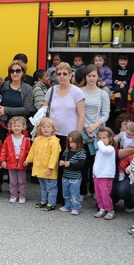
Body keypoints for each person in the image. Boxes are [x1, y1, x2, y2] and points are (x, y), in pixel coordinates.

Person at [43, 62, 86, 199]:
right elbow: (44, 112)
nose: (62, 76)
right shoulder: (51, 91)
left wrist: (77, 135)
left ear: (70, 74)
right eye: (59, 74)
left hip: (70, 136)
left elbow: (81, 115)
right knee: (54, 164)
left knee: (69, 165)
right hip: (53, 135)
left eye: (65, 74)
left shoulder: (77, 92)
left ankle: (70, 195)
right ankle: (56, 195)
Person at [78, 64, 110, 195]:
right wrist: (85, 126)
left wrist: (94, 126)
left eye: (94, 76)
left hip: (98, 133)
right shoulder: (79, 91)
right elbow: (77, 111)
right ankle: (81, 191)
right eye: (89, 76)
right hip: (82, 131)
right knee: (82, 162)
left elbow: (106, 114)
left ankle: (94, 190)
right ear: (85, 77)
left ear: (98, 77)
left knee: (96, 162)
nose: (91, 78)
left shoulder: (103, 93)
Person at [26, 117, 61, 211]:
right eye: (43, 127)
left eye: (48, 127)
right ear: (40, 128)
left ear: (53, 129)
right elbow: (32, 151)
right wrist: (28, 160)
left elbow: (54, 156)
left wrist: (50, 167)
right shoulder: (37, 139)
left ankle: (51, 203)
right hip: (39, 168)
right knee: (43, 187)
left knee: (51, 187)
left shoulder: (54, 142)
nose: (46, 129)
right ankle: (43, 201)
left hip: (48, 170)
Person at [0, 60, 36, 137]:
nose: (15, 73)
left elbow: (27, 109)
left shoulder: (28, 89)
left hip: (18, 127)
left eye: (18, 71)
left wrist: (6, 110)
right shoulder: (4, 85)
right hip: (2, 125)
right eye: (12, 71)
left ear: (23, 72)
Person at [1, 116, 31, 204]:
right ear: (10, 127)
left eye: (18, 126)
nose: (16, 128)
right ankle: (13, 195)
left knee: (22, 181)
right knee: (13, 181)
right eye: (14, 126)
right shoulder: (8, 139)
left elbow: (29, 151)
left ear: (23, 127)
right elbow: (3, 150)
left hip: (22, 162)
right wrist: (3, 160)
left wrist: (28, 160)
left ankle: (22, 195)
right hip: (11, 161)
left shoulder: (26, 140)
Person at [58, 130, 85, 215]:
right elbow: (62, 158)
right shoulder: (67, 151)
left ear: (80, 142)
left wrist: (70, 164)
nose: (72, 144)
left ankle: (76, 208)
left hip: (75, 178)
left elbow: (80, 164)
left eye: (74, 142)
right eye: (70, 142)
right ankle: (67, 206)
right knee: (65, 193)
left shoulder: (81, 153)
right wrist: (61, 162)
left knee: (74, 194)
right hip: (65, 176)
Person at [92, 126, 116, 220]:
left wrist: (99, 143)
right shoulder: (100, 150)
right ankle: (101, 208)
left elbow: (104, 150)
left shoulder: (110, 149)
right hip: (97, 175)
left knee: (105, 194)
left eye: (104, 138)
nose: (101, 140)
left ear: (110, 138)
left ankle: (110, 210)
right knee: (98, 194)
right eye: (99, 138)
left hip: (105, 176)